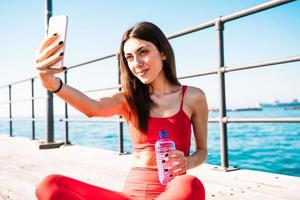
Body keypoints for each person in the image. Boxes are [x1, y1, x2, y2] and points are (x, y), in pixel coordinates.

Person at [35, 21, 208, 200]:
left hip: (173, 192)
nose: (137, 63)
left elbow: (202, 151)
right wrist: (52, 83)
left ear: (163, 52)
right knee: (50, 185)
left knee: (190, 184)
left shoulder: (193, 97)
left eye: (144, 52)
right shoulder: (128, 99)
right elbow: (92, 107)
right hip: (131, 195)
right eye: (129, 57)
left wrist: (187, 162)